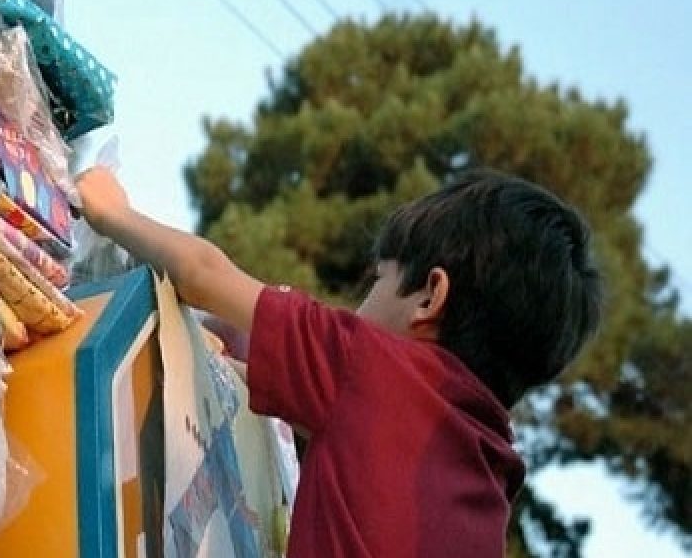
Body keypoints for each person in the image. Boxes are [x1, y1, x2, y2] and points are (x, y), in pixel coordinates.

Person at [75, 166, 602, 557]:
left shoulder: (373, 367)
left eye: (380, 279)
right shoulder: (488, 481)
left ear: (429, 297)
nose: (358, 304)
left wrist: (113, 212)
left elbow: (204, 274)